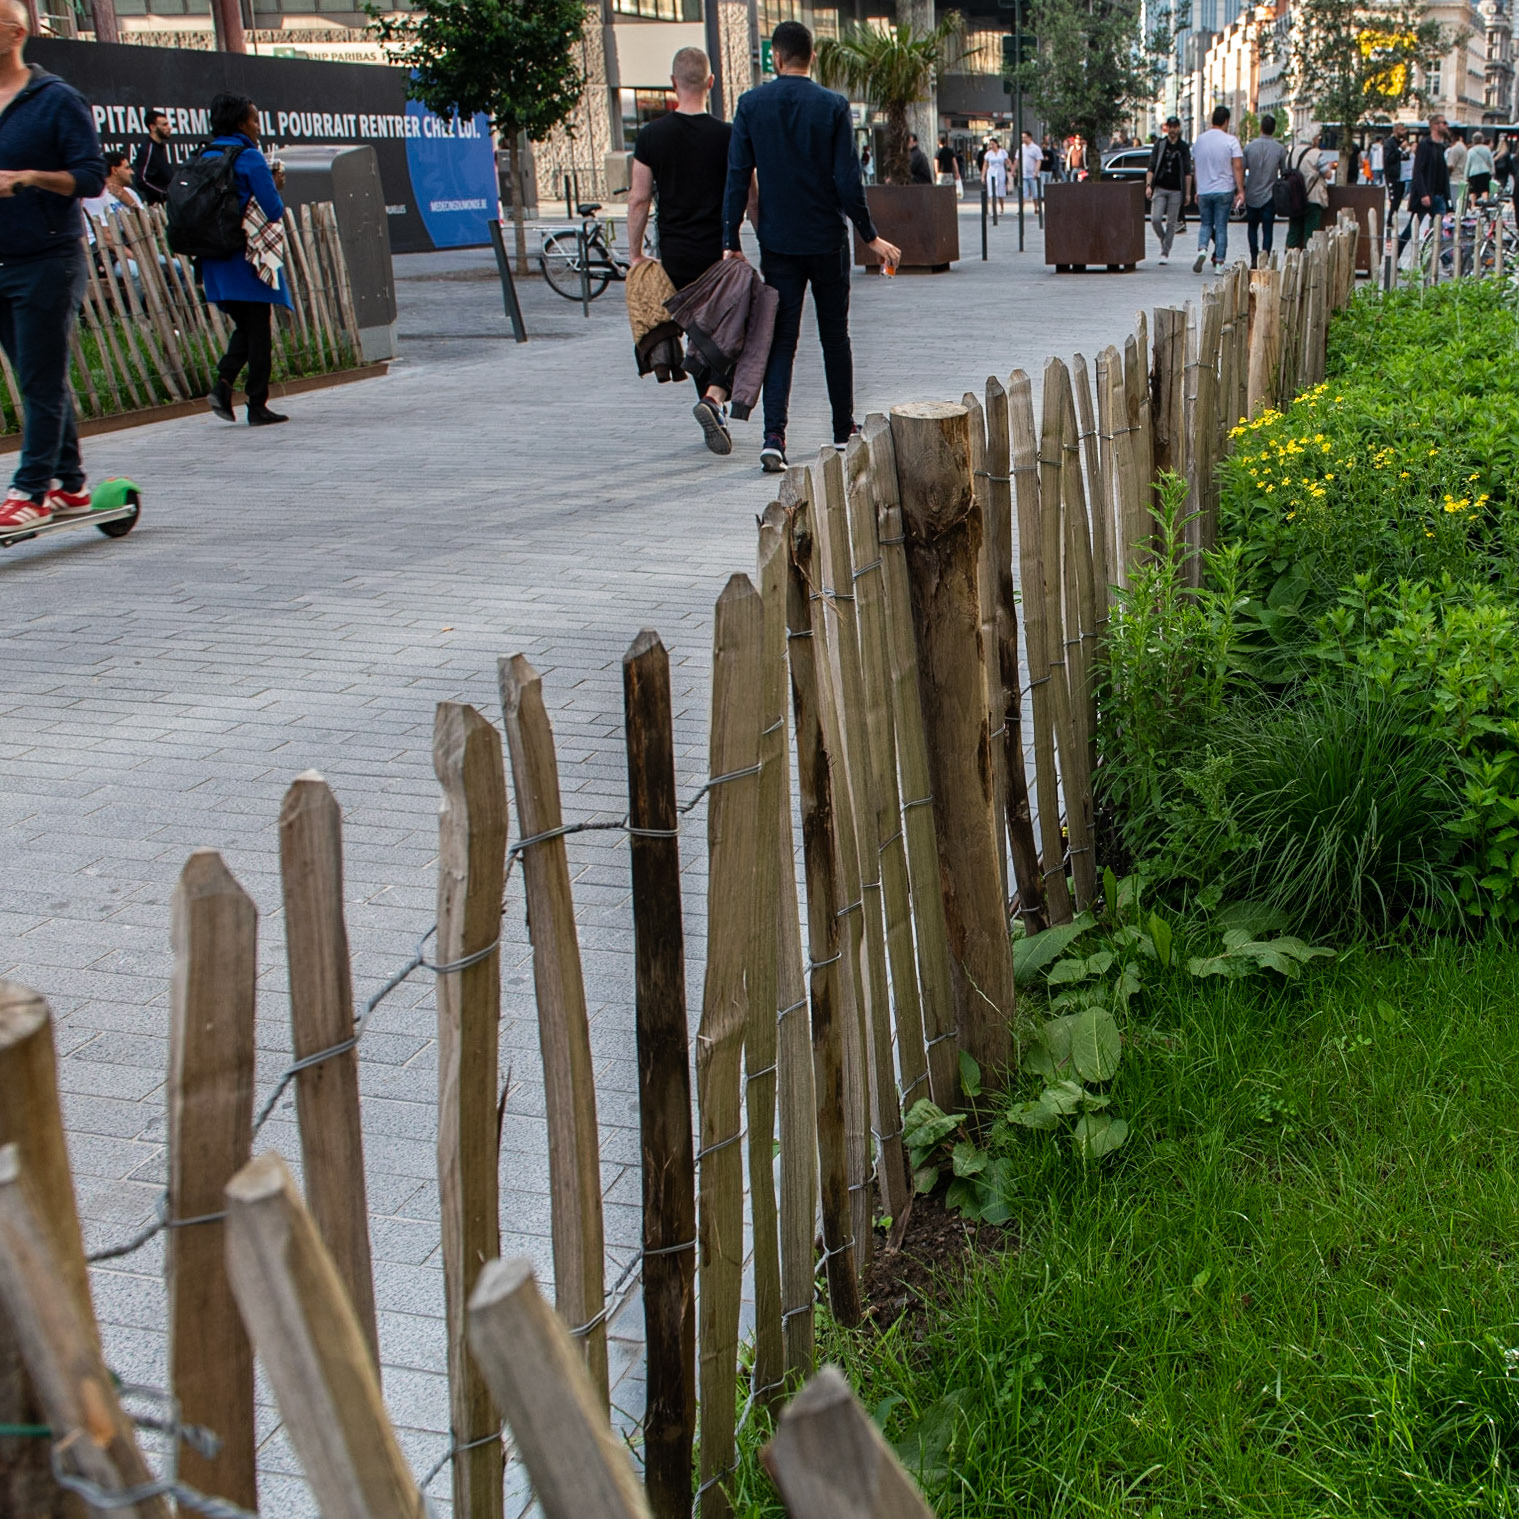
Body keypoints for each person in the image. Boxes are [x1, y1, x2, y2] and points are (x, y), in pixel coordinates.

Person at [721, 20, 899, 472]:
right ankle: (843, 429)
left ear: (776, 58)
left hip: (779, 243)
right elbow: (847, 180)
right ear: (812, 56)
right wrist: (869, 236)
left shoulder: (751, 106)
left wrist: (730, 239)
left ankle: (774, 436)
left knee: (782, 341)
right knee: (835, 336)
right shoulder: (833, 107)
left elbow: (738, 178)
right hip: (826, 240)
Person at [0, 0, 106, 532]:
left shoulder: (56, 99)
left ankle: (31, 489)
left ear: (16, 32)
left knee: (40, 379)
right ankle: (70, 482)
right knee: (33, 375)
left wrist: (29, 178)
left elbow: (91, 177)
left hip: (46, 258)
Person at [627, 47, 735, 454]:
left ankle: (710, 402)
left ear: (674, 84)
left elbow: (639, 200)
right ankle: (715, 398)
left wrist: (636, 254)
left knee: (696, 334)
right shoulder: (727, 136)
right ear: (710, 82)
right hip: (719, 253)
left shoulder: (652, 136)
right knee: (732, 332)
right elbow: (749, 194)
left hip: (674, 256)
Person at [200, 93, 291, 427]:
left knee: (247, 326)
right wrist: (275, 184)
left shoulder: (205, 155)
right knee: (259, 331)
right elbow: (273, 209)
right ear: (241, 123)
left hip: (213, 257)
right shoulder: (250, 158)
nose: (257, 126)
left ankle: (223, 386)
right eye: (253, 120)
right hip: (246, 258)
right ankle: (257, 403)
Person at [1191, 104, 1244, 272]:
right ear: (1226, 121)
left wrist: (1197, 190)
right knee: (1221, 226)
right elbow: (1237, 167)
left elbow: (1195, 167)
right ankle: (1219, 263)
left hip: (1205, 190)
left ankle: (1202, 249)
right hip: (1224, 189)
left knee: (1205, 224)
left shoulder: (1200, 140)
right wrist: (1240, 189)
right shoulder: (1231, 141)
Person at [1398, 116, 1451, 257]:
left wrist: (1448, 201)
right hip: (1425, 196)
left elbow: (1444, 176)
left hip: (1438, 196)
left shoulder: (1441, 146)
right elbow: (1418, 172)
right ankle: (1395, 255)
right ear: (1435, 126)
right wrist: (1423, 194)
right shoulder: (1425, 145)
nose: (1446, 126)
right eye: (1443, 123)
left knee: (1441, 230)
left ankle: (1445, 260)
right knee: (1411, 229)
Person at [1145, 114, 1192, 264]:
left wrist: (1188, 193)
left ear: (1178, 128)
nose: (1172, 130)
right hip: (1159, 187)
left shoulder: (1183, 147)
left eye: (1175, 127)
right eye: (1170, 127)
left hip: (1176, 190)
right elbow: (1151, 166)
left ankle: (1165, 252)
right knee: (1155, 219)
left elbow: (1187, 171)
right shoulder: (1160, 144)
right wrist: (1148, 185)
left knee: (1171, 223)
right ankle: (1164, 240)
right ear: (1167, 128)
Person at [1241, 112, 1285, 265]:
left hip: (1252, 193)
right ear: (1274, 129)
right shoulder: (1280, 149)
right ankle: (1264, 258)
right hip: (1270, 195)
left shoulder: (1249, 148)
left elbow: (1242, 169)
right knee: (1268, 229)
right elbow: (1284, 171)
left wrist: (1240, 189)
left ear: (1260, 128)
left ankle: (1254, 256)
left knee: (1252, 227)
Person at [1285, 129, 1330, 249]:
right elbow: (1328, 174)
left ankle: (1289, 260)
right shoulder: (1316, 154)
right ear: (1313, 138)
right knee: (1311, 232)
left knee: (1294, 231)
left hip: (1294, 198)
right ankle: (1308, 260)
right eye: (1317, 138)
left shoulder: (1291, 153)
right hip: (1312, 197)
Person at [132, 107, 172, 207]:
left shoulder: (159, 147)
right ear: (152, 127)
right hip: (157, 207)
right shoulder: (147, 149)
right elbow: (141, 180)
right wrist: (164, 194)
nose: (169, 127)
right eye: (164, 124)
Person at [982, 135, 1009, 215]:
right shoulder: (988, 154)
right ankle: (993, 210)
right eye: (990, 144)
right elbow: (985, 165)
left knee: (1000, 191)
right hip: (991, 171)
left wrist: (1012, 170)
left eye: (993, 144)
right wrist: (983, 175)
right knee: (992, 191)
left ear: (997, 144)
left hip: (1000, 171)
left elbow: (1008, 161)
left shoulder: (1002, 152)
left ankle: (1001, 208)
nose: (991, 146)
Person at [1466, 130, 1494, 199]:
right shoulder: (1487, 149)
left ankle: (1472, 206)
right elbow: (1491, 162)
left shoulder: (1471, 151)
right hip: (1485, 172)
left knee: (1473, 192)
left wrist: (1466, 176)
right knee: (1485, 190)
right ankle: (1484, 203)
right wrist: (1492, 172)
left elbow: (1468, 165)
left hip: (1473, 173)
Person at [1019, 129, 1042, 204]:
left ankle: (1037, 208)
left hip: (1033, 175)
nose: (1023, 139)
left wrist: (1036, 171)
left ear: (1030, 137)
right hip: (1024, 174)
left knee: (1035, 193)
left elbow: (1039, 160)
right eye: (1022, 137)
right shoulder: (1021, 148)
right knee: (1023, 193)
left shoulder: (1035, 148)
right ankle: (1021, 209)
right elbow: (1017, 159)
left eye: (1025, 137)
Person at [1445, 128, 1467, 201]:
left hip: (1454, 180)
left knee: (1453, 203)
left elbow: (1450, 166)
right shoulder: (1463, 147)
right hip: (1461, 179)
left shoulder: (1455, 148)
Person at [934, 132, 959, 197]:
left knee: (940, 191)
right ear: (945, 142)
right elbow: (954, 163)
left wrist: (936, 174)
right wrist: (956, 173)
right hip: (949, 173)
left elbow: (936, 164)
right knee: (949, 191)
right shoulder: (950, 151)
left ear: (938, 142)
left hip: (941, 174)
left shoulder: (938, 152)